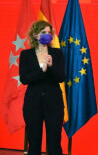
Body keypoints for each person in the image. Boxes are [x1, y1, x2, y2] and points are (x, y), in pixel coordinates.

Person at [19, 20, 65, 155]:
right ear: (35, 35)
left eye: (49, 33)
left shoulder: (57, 53)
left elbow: (61, 77)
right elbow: (24, 79)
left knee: (54, 143)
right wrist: (41, 69)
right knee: (34, 142)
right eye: (43, 32)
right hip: (32, 104)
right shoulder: (26, 55)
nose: (47, 35)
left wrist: (50, 67)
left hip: (54, 104)